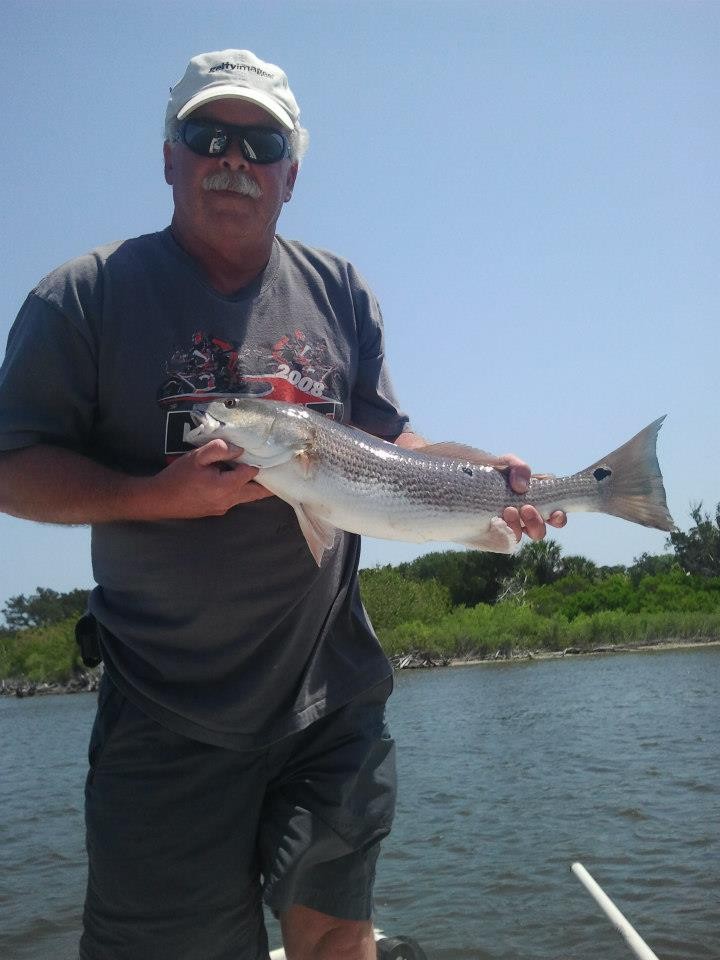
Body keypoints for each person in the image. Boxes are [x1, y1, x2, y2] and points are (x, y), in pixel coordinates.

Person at [0, 49, 566, 960]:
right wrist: (155, 497)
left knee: (340, 937)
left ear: (291, 173)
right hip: (164, 709)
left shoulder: (340, 290)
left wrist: (483, 485)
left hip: (329, 696)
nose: (234, 157)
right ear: (169, 158)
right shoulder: (83, 298)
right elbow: (11, 465)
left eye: (261, 142)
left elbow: (391, 445)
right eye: (208, 135)